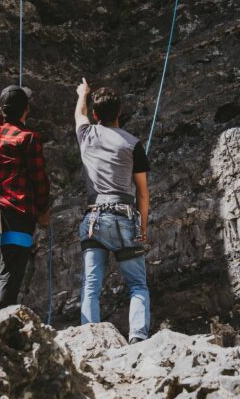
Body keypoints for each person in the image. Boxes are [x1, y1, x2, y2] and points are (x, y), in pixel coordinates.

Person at [75, 79, 151, 342]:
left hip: (94, 217)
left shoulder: (86, 135)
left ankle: (90, 339)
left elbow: (79, 114)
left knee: (91, 286)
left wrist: (82, 94)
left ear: (96, 115)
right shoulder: (133, 144)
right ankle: (138, 337)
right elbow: (142, 192)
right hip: (124, 217)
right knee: (138, 285)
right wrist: (142, 229)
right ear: (119, 112)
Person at [0, 85, 51, 309]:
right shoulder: (29, 138)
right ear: (26, 110)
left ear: (0, 109)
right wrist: (43, 210)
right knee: (9, 272)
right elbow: (38, 178)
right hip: (17, 212)